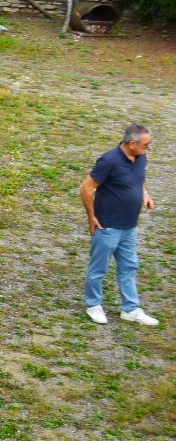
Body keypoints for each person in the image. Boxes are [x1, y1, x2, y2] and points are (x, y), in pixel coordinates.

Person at [82, 123, 156, 325]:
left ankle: (130, 309)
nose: (148, 148)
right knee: (98, 268)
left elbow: (138, 180)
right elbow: (86, 187)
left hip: (129, 226)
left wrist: (145, 195)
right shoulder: (109, 161)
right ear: (132, 143)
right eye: (146, 145)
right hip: (107, 226)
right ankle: (93, 305)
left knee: (129, 266)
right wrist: (91, 216)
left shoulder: (140, 158)